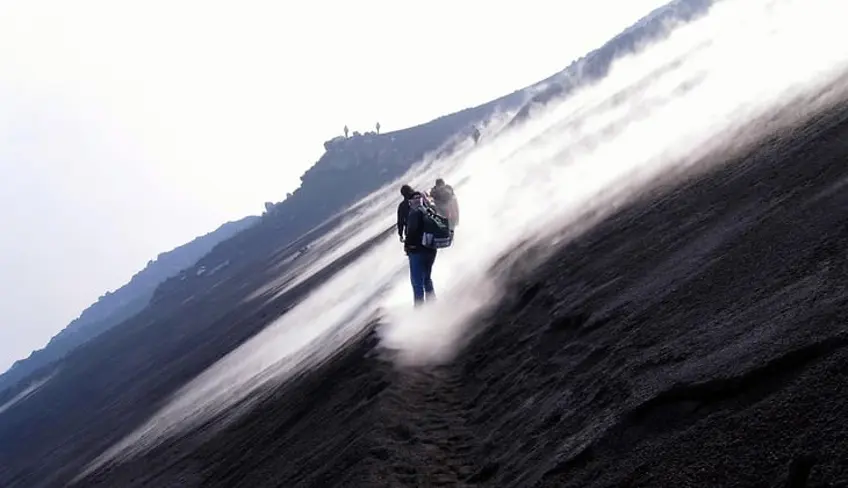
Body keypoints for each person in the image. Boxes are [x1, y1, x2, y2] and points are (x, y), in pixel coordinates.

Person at [397, 186, 438, 306]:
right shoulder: (426, 204)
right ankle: (433, 303)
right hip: (431, 248)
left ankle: (420, 310)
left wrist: (404, 241)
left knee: (416, 281)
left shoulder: (407, 208)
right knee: (427, 277)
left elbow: (403, 224)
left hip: (416, 249)